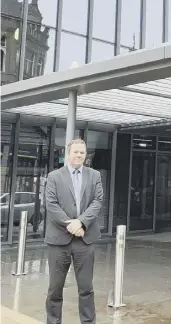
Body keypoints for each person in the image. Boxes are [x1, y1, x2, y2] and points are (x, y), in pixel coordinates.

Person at [45, 139, 103, 324]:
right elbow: (51, 204)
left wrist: (82, 223)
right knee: (55, 289)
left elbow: (97, 201)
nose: (79, 156)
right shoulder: (54, 176)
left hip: (84, 240)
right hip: (58, 241)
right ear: (68, 153)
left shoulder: (95, 175)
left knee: (86, 288)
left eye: (82, 153)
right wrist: (70, 225)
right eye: (76, 152)